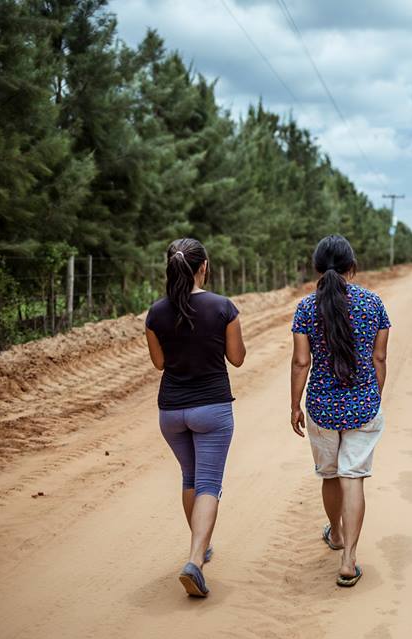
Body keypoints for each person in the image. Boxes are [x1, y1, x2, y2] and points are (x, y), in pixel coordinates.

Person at [145, 238, 246, 597]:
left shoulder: (156, 313)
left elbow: (159, 363)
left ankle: (198, 548)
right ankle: (195, 560)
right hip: (212, 407)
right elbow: (237, 358)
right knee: (208, 483)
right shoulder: (222, 308)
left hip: (171, 408)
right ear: (203, 267)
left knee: (190, 478)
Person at [290, 235, 390, 588]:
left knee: (330, 474)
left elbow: (302, 361)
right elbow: (379, 357)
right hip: (363, 404)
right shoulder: (373, 303)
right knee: (354, 476)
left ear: (317, 268)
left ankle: (335, 534)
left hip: (321, 405)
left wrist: (294, 404)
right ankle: (349, 559)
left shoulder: (305, 308)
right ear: (353, 266)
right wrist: (372, 396)